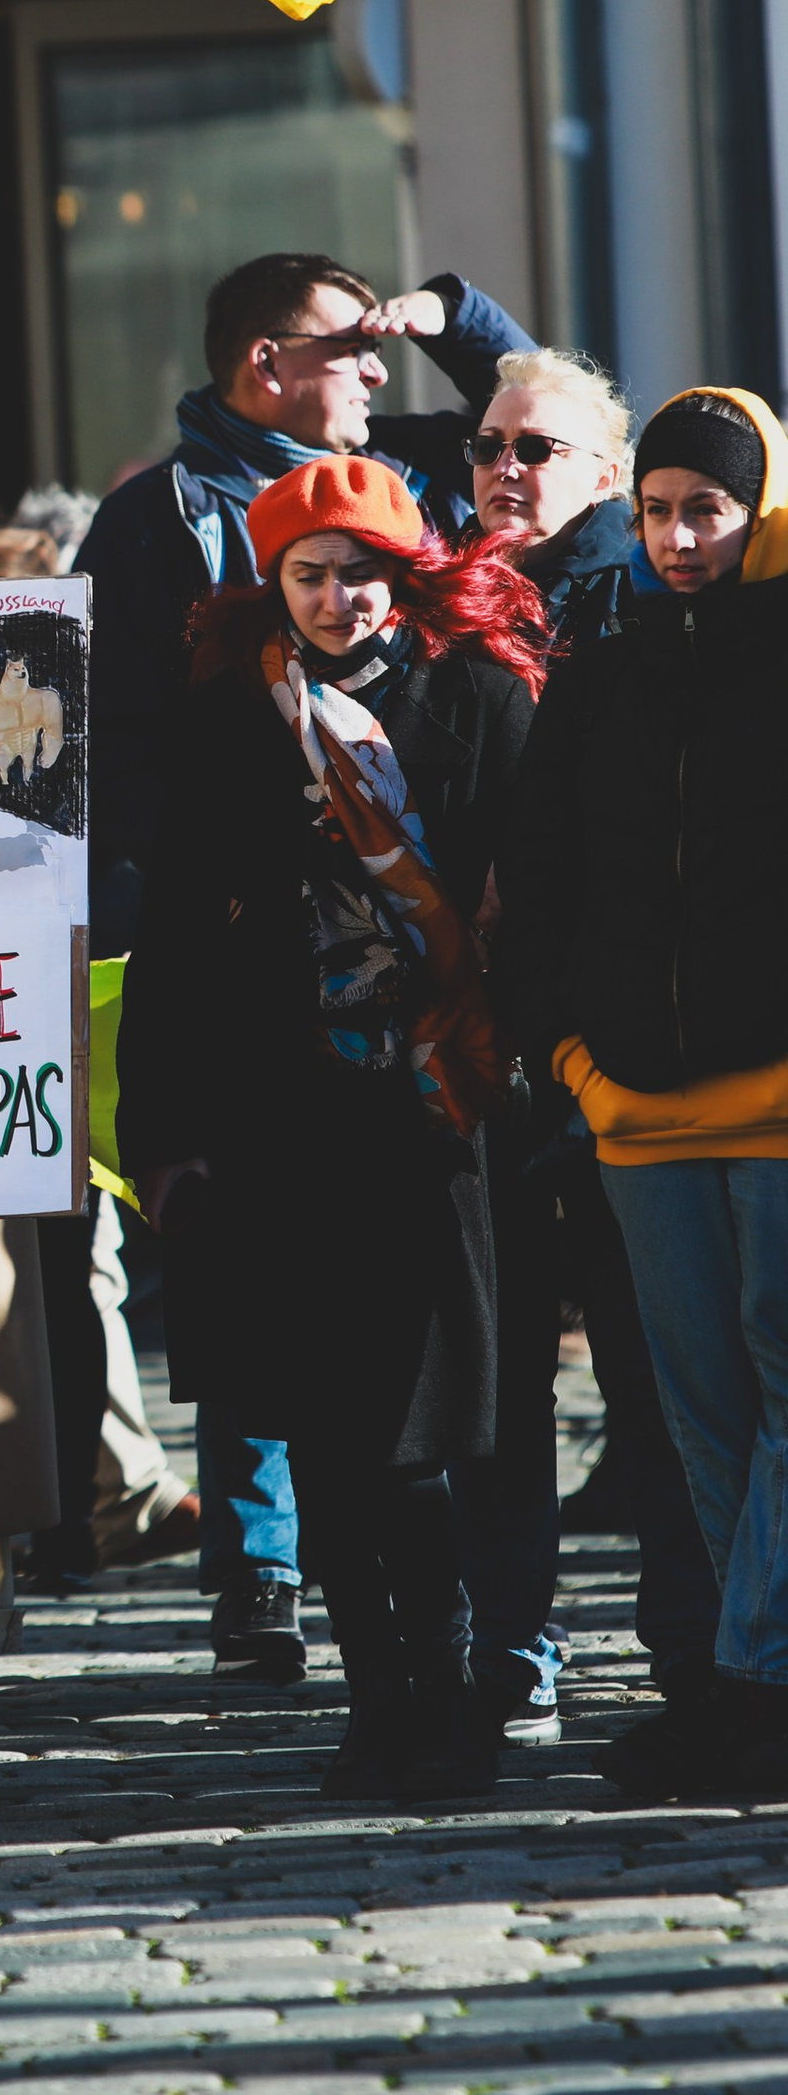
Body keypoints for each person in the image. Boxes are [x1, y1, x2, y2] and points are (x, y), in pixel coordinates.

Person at [78, 254, 535, 1680]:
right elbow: (142, 829)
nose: (340, 597)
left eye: (364, 575)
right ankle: (320, 1632)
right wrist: (166, 1130)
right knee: (293, 1371)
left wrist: (456, 317)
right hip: (273, 1064)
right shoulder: (187, 599)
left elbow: (532, 418)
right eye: (311, 577)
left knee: (436, 1393)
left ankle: (463, 1658)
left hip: (440, 1082)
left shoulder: (466, 693)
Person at [500, 387, 788, 1799]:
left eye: (709, 511)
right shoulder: (600, 674)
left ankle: (753, 1683)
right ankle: (752, 1690)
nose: (678, 538)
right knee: (701, 1413)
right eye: (661, 510)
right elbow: (539, 875)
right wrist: (569, 1054)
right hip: (636, 1111)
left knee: (786, 1392)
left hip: (782, 1101)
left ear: (760, 513)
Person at [451, 358, 720, 1752]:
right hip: (494, 1051)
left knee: (657, 1369)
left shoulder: (642, 604)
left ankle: (693, 1649)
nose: (506, 468)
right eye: (489, 444)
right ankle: (519, 1648)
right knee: (504, 1381)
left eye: (539, 447)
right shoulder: (446, 605)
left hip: (616, 1053)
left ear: (604, 473)